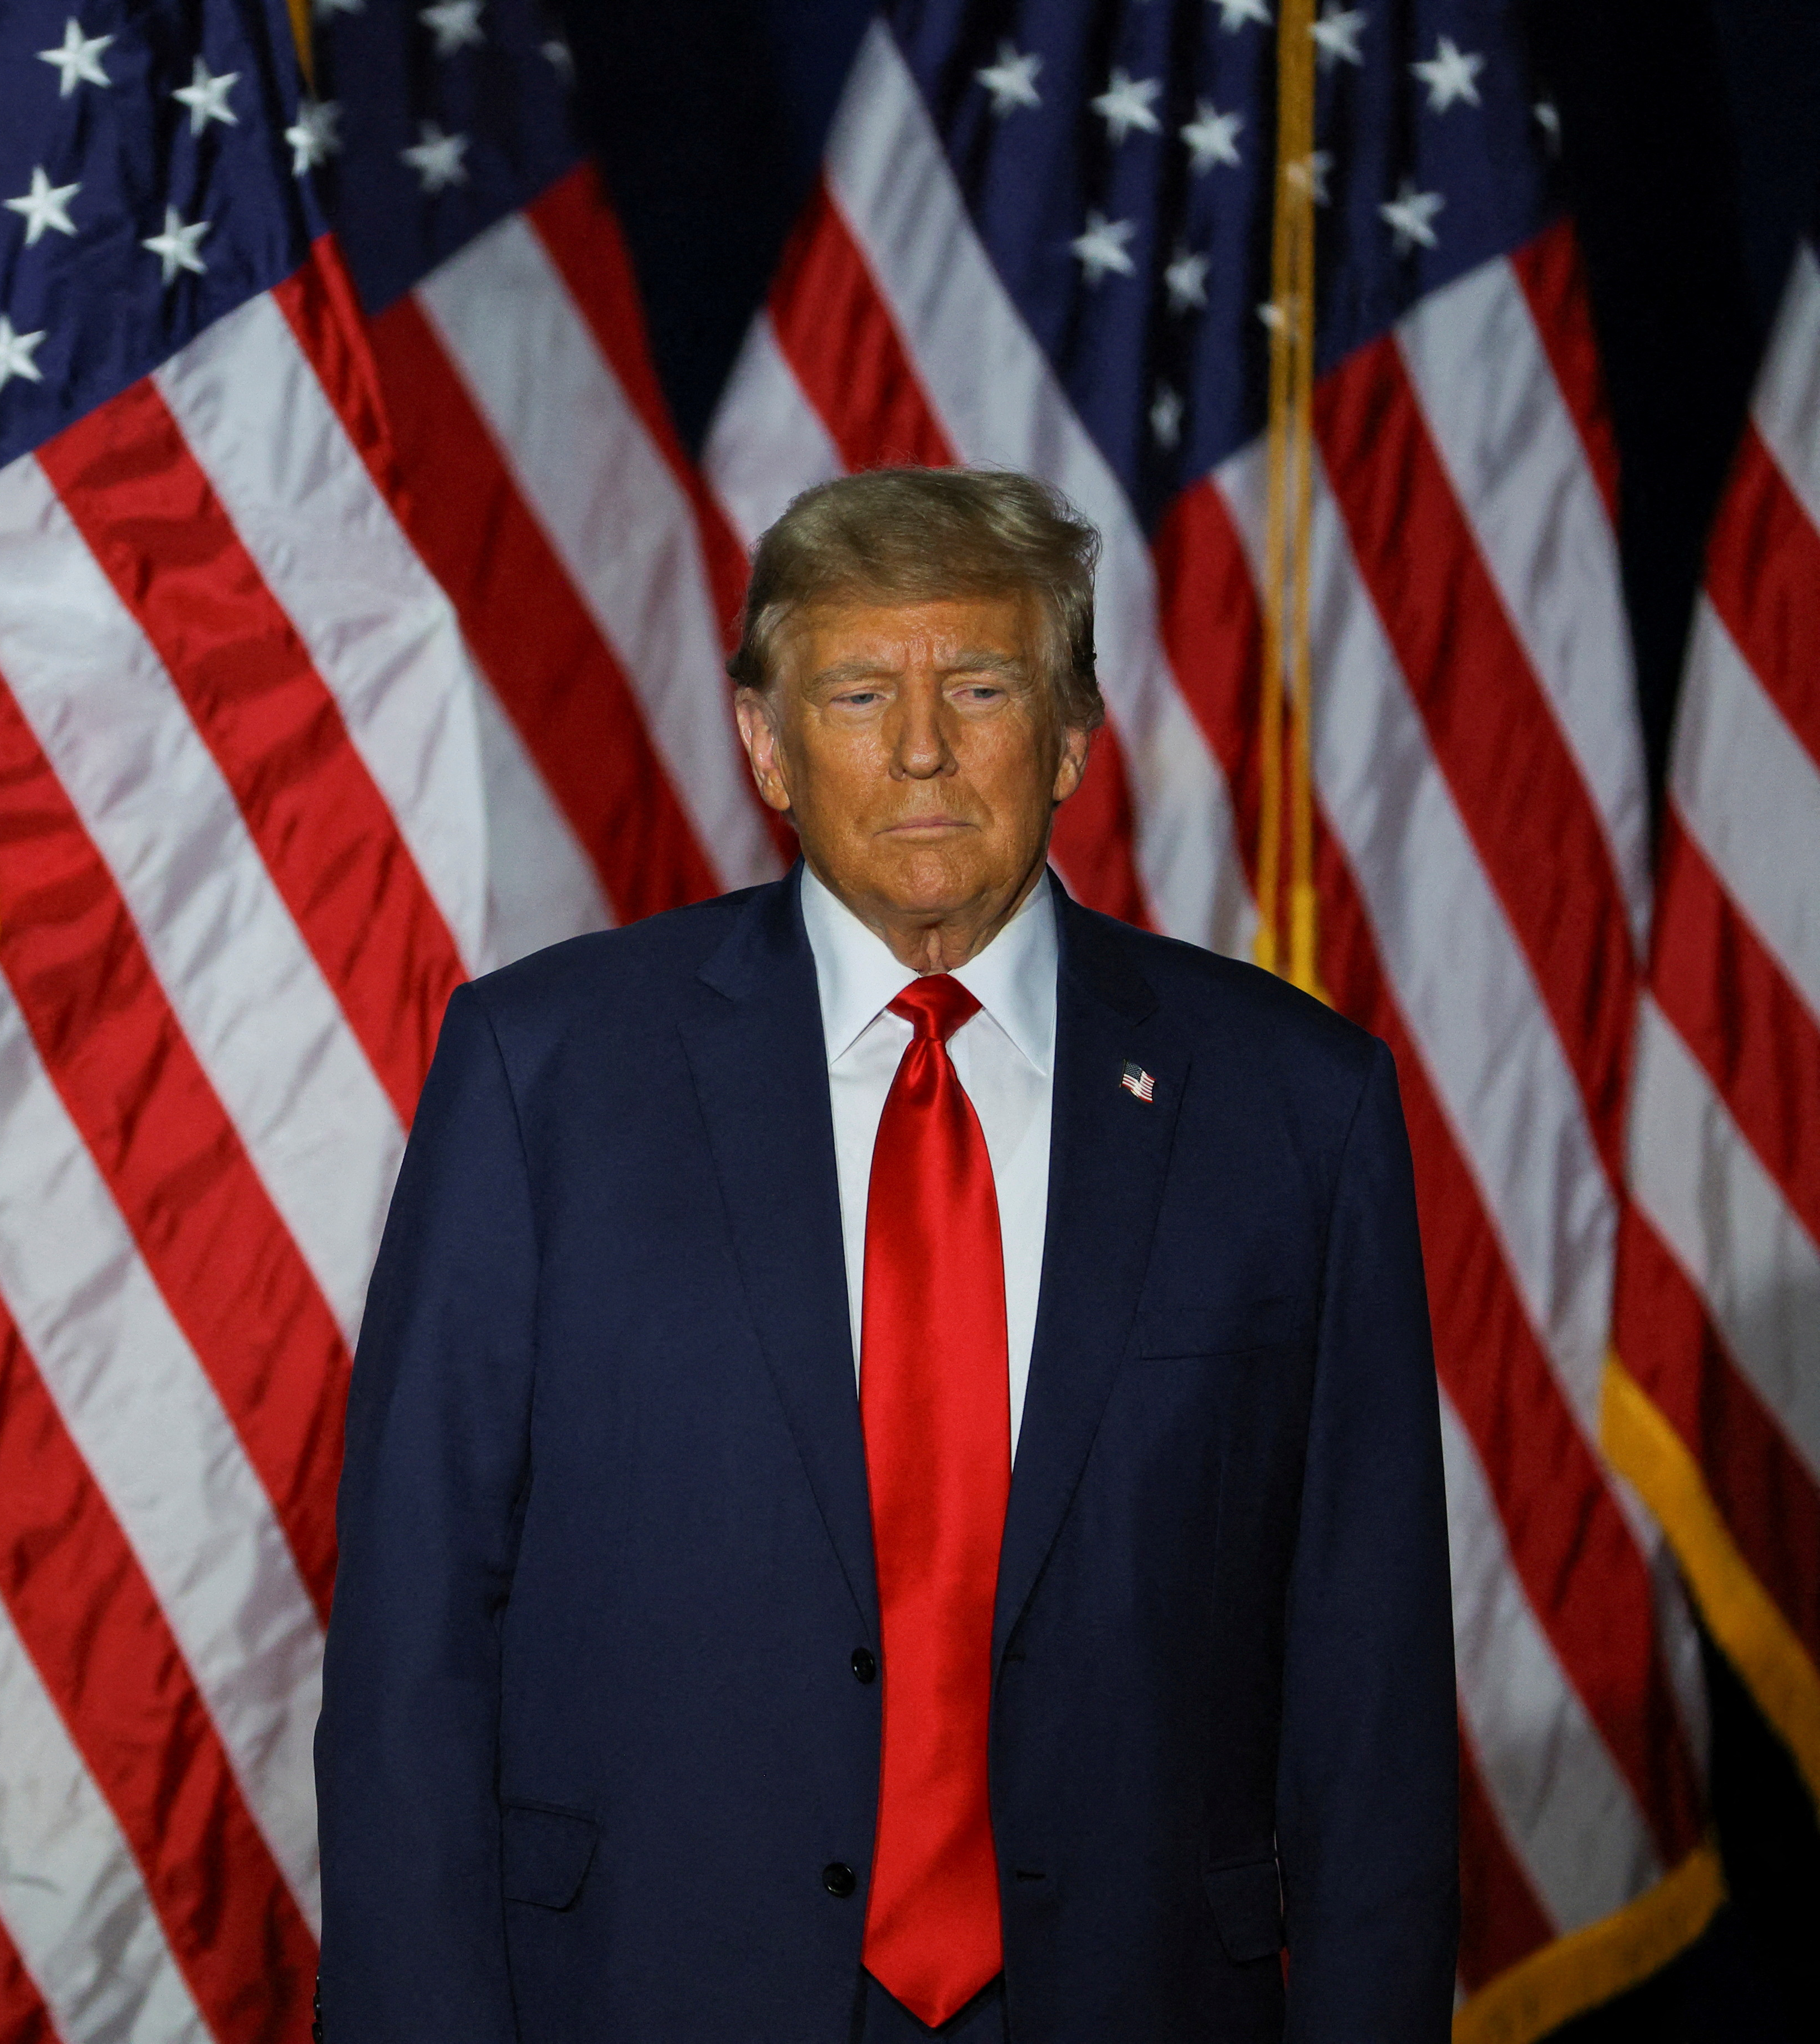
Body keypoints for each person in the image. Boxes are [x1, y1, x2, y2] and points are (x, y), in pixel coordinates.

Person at [313, 467, 1455, 2043]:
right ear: (767, 745)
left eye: (978, 686)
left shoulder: (1293, 1103)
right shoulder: (543, 1075)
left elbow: (1368, 1680)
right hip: (654, 1991)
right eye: (858, 690)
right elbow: (412, 1645)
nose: (920, 746)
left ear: (1066, 733)